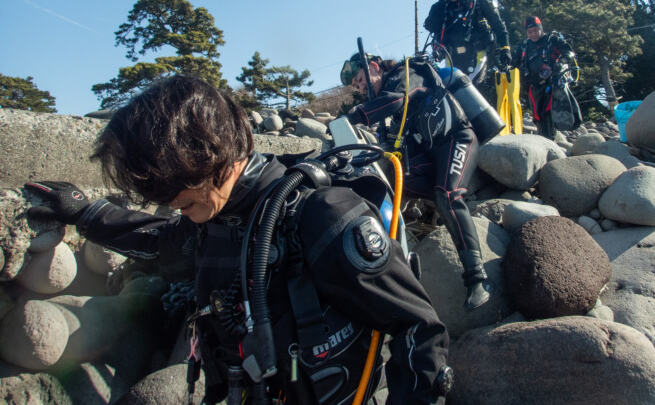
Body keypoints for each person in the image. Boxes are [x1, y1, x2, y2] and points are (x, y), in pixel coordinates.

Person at [24, 75, 451, 405]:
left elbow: (420, 328)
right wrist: (85, 213)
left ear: (207, 153)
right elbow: (157, 242)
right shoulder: (212, 219)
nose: (170, 205)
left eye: (173, 191)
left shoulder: (321, 217)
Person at [340, 53, 493, 312]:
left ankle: (477, 279)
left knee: (448, 195)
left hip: (457, 138)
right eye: (356, 86)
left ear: (374, 66)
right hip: (432, 152)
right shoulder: (389, 93)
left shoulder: (407, 72)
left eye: (359, 79)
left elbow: (397, 99)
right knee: (391, 177)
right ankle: (415, 231)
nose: (360, 87)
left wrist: (354, 116)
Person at [423, 0, 511, 82]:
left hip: (476, 54)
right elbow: (430, 26)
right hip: (451, 56)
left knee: (469, 87)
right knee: (452, 92)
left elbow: (498, 25)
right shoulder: (440, 8)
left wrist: (505, 48)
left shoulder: (478, 1)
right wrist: (442, 3)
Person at [511, 15, 575, 140]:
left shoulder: (552, 40)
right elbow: (513, 63)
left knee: (549, 112)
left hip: (551, 82)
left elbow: (569, 53)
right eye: (529, 32)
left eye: (535, 30)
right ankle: (542, 137)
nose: (533, 34)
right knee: (537, 114)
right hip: (532, 84)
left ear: (541, 28)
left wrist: (561, 63)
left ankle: (551, 139)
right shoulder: (523, 46)